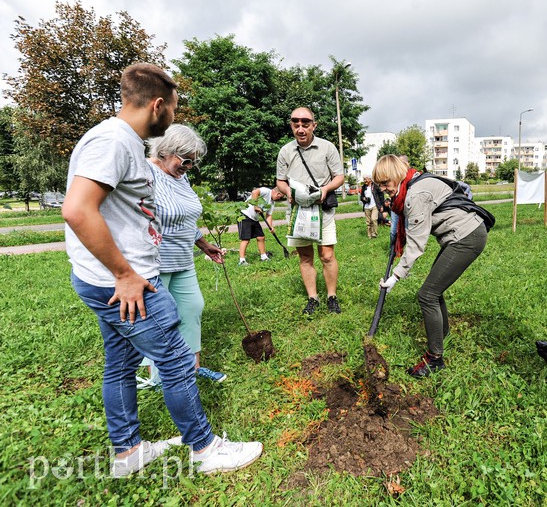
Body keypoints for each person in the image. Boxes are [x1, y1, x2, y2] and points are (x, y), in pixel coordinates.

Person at [62, 63, 262, 476]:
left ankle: (128, 452)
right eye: (172, 108)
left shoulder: (117, 140)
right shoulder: (114, 142)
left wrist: (199, 244)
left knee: (119, 362)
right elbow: (77, 210)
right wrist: (124, 274)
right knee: (173, 358)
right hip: (123, 282)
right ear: (157, 106)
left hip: (109, 280)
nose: (173, 116)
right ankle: (205, 450)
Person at [373, 155, 488, 378]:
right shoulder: (413, 182)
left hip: (466, 238)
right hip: (463, 235)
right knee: (434, 290)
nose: (384, 188)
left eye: (386, 182)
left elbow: (416, 243)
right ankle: (442, 334)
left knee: (427, 295)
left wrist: (395, 277)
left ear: (397, 175)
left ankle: (435, 359)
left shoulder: (416, 194)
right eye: (380, 184)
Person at [136, 124, 227, 389]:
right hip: (155, 262)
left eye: (192, 163)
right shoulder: (145, 172)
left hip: (183, 258)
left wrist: (203, 244)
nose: (188, 167)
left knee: (192, 308)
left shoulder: (180, 177)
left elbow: (185, 218)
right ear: (166, 151)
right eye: (185, 160)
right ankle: (159, 375)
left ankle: (193, 367)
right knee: (162, 319)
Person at [275, 107, 344, 315]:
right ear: (291, 125)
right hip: (298, 212)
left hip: (322, 209)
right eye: (296, 123)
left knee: (327, 255)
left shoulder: (327, 147)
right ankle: (312, 298)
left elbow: (339, 177)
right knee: (305, 257)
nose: (301, 128)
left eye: (305, 123)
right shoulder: (285, 151)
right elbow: (280, 181)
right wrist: (287, 192)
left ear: (314, 125)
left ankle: (332, 296)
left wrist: (325, 189)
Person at [238, 186, 285, 265]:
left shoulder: (272, 203)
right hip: (244, 215)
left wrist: (271, 227)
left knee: (261, 237)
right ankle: (242, 260)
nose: (279, 199)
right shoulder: (266, 191)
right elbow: (254, 192)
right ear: (278, 194)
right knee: (246, 239)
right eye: (280, 197)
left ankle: (264, 257)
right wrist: (255, 206)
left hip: (254, 219)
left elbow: (269, 215)